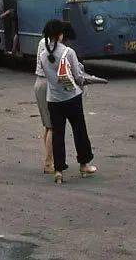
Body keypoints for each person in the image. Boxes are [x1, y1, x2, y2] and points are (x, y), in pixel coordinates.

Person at [40, 19, 97, 184]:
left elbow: (47, 75)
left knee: (58, 134)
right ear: (60, 34)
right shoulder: (69, 52)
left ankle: (58, 170)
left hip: (53, 99)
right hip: (71, 98)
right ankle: (84, 164)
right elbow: (78, 77)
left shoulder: (43, 55)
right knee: (79, 130)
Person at [34, 36, 53, 174]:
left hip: (39, 83)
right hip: (48, 85)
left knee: (48, 125)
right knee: (53, 127)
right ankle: (48, 162)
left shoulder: (42, 41)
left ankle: (49, 160)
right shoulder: (52, 46)